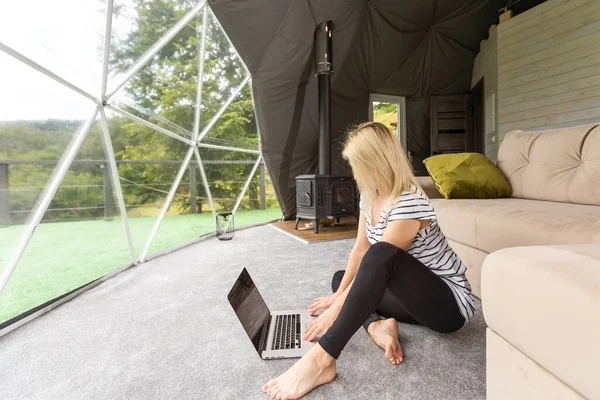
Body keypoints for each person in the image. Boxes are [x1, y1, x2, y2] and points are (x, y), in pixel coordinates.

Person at [262, 122, 476, 399]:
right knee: (343, 279)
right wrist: (337, 297)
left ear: (372, 162)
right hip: (414, 301)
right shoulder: (369, 195)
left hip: (448, 306)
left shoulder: (408, 201)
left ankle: (323, 358)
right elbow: (360, 250)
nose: (352, 171)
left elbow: (378, 257)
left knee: (378, 259)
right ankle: (378, 325)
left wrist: (335, 311)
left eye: (354, 164)